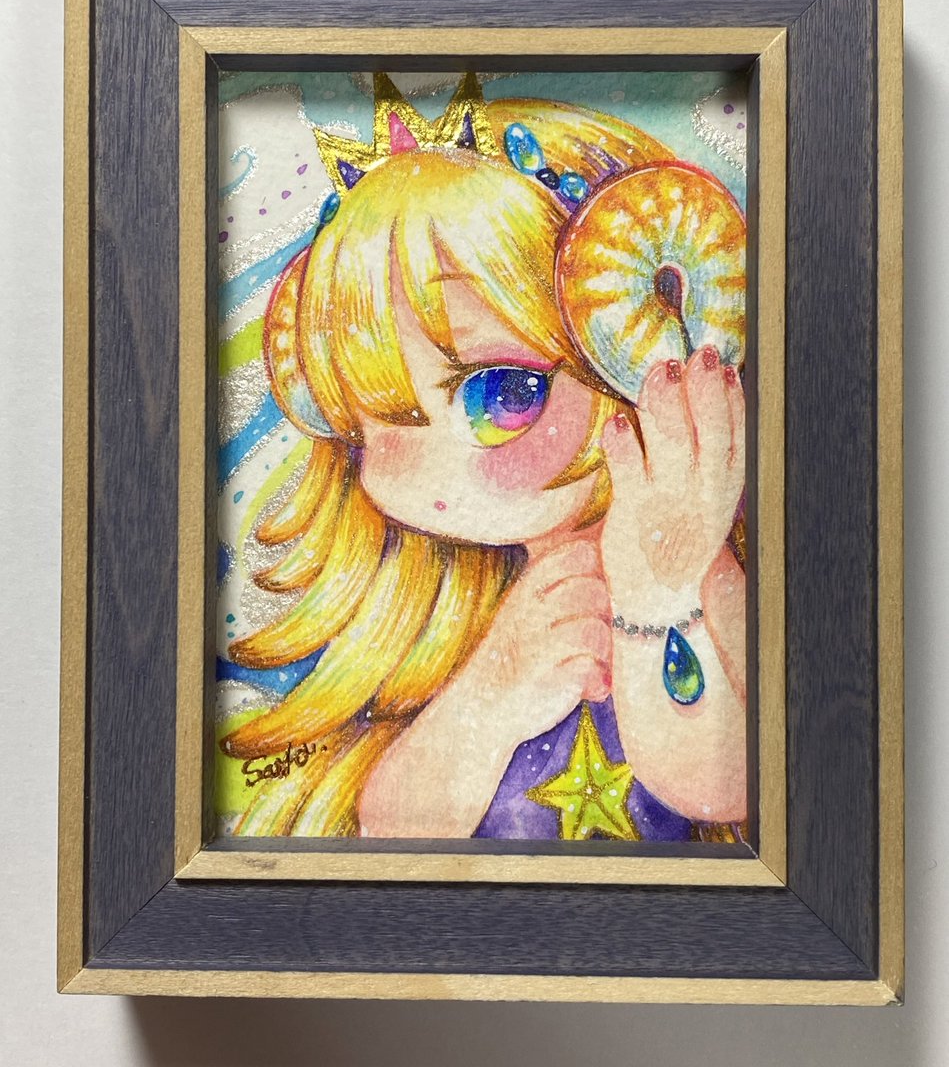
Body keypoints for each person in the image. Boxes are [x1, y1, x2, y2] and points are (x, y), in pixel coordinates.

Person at [220, 73, 747, 841]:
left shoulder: (695, 566)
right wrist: (492, 694)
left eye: (504, 394)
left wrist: (660, 597)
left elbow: (721, 785)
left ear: (631, 358)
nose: (437, 469)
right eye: (385, 421)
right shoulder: (465, 614)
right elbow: (391, 826)